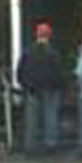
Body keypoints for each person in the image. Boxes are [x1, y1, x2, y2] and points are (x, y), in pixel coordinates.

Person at [16, 21, 65, 154]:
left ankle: (30, 145)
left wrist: (25, 84)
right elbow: (59, 72)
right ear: (49, 35)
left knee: (32, 118)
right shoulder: (54, 53)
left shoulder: (28, 52)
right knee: (51, 116)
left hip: (32, 89)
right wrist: (59, 86)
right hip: (51, 89)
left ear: (36, 35)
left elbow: (20, 71)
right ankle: (50, 144)